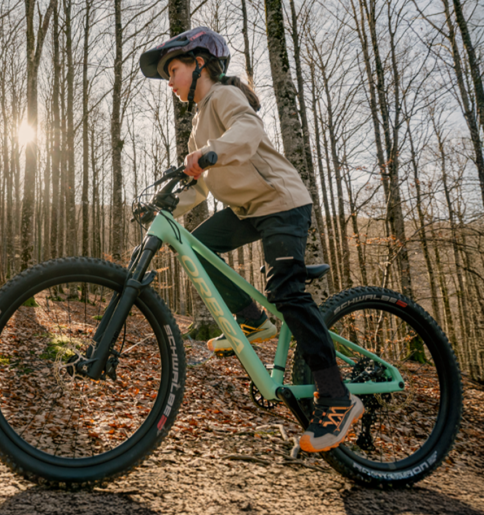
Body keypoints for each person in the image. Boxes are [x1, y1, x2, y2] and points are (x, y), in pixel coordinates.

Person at [139, 27, 363, 453]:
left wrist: (209, 154)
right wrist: (164, 207)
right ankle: (253, 321)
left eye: (174, 69)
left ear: (200, 64)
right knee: (198, 251)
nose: (169, 80)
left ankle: (337, 394)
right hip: (247, 211)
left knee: (286, 291)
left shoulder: (224, 96)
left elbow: (247, 131)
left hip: (280, 202)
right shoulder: (197, 126)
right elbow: (198, 188)